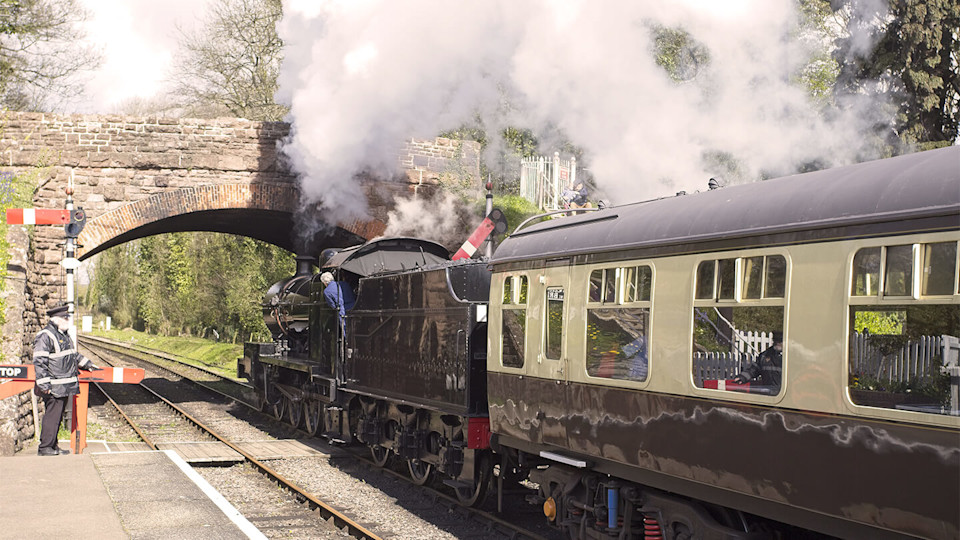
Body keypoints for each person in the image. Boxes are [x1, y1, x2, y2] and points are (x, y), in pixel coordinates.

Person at [33, 304, 98, 456]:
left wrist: (87, 364)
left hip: (61, 385)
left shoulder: (62, 334)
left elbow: (71, 355)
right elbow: (39, 361)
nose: (68, 320)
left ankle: (52, 446)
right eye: (65, 317)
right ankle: (45, 448)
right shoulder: (46, 335)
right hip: (53, 386)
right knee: (52, 417)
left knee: (56, 417)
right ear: (57, 319)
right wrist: (44, 384)